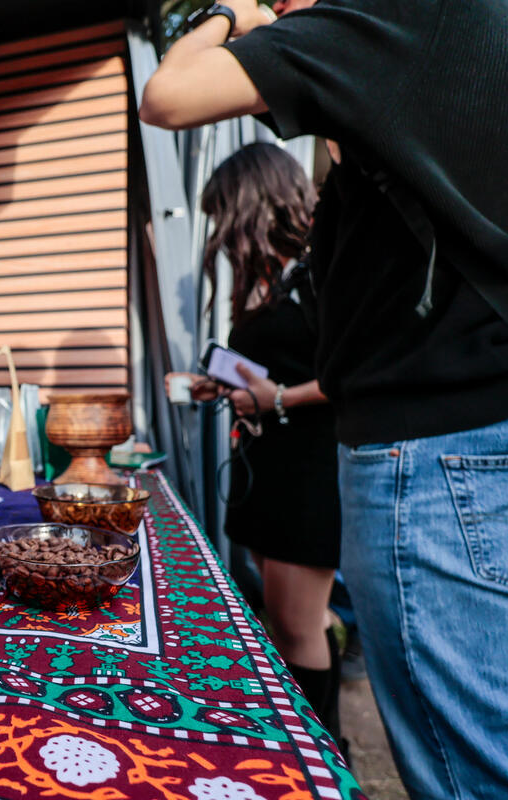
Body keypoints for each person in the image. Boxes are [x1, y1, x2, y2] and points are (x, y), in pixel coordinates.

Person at [140, 2, 508, 798]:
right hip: (463, 432)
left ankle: (317, 763)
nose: (281, 10)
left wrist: (226, 13)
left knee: (470, 761)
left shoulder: (387, 23)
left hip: (424, 449)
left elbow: (167, 95)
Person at [165, 143, 341, 742]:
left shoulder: (323, 272)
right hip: (266, 467)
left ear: (252, 205)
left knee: (298, 628)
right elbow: (272, 371)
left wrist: (279, 398)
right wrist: (223, 384)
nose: (218, 230)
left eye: (221, 213)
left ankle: (318, 750)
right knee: (289, 621)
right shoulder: (269, 279)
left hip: (310, 471)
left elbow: (351, 376)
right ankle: (310, 742)